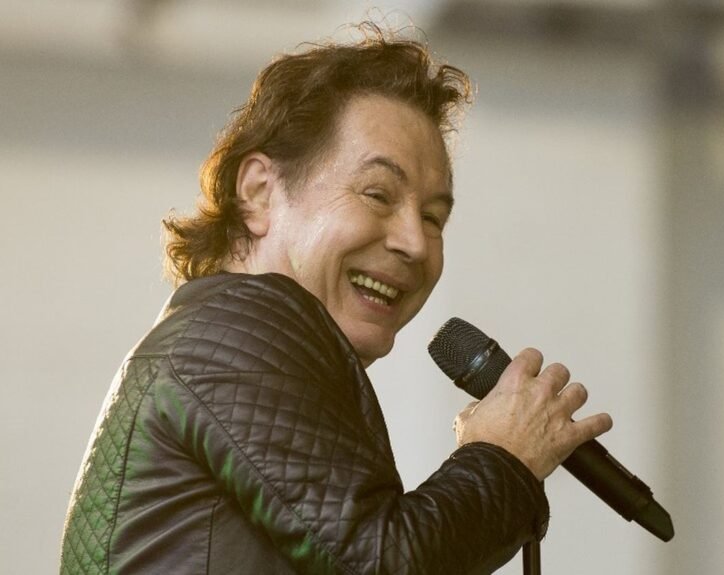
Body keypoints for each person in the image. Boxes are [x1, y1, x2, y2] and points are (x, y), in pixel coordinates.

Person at [59, 24, 612, 574]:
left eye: (433, 218)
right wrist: (503, 459)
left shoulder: (226, 335)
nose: (415, 243)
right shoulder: (237, 335)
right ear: (259, 192)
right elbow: (381, 562)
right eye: (378, 194)